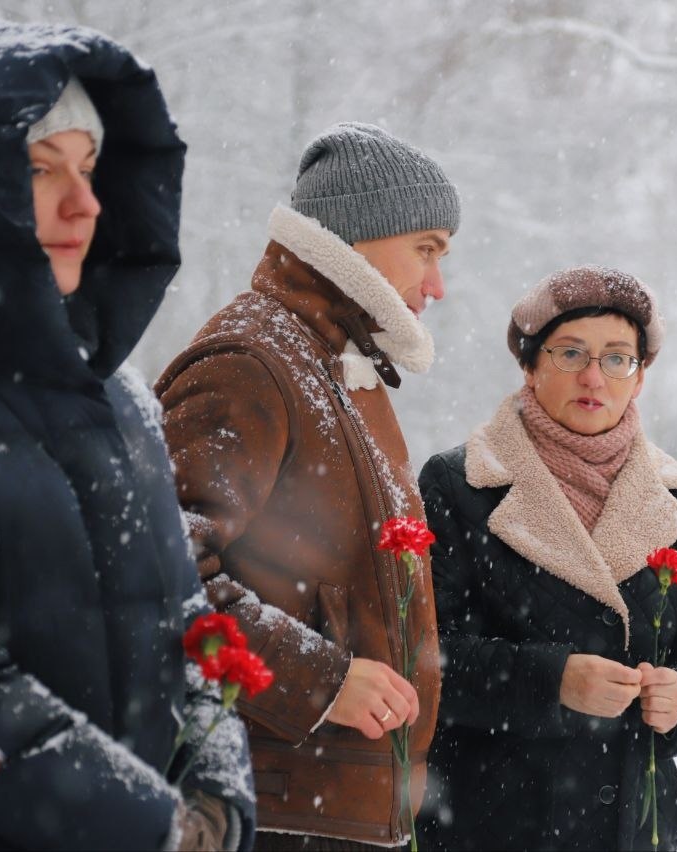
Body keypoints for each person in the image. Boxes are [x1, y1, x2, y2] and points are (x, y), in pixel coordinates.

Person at [0, 16, 255, 850]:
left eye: (91, 168)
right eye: (37, 168)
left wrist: (214, 785)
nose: (85, 203)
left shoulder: (118, 395)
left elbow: (188, 620)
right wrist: (148, 824)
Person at [155, 123, 459, 849]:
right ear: (361, 233)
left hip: (339, 807)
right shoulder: (251, 360)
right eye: (428, 249)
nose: (438, 285)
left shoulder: (344, 367)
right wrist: (322, 682)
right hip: (278, 809)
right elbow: (162, 573)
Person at [416, 266, 677, 851]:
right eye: (570, 353)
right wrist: (554, 680)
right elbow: (425, 661)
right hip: (492, 822)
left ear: (639, 377)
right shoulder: (459, 483)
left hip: (632, 825)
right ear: (530, 363)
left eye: (618, 358)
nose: (595, 375)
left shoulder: (671, 495)